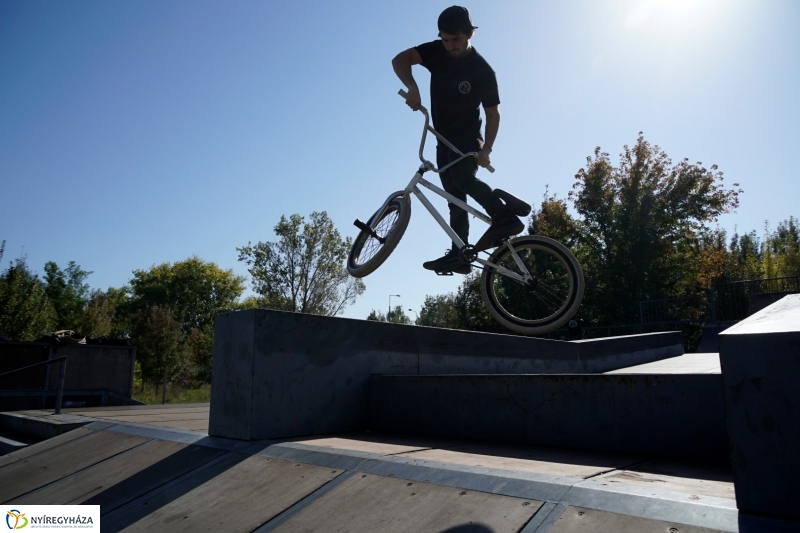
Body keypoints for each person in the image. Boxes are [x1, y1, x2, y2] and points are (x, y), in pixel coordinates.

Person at [392, 5, 524, 275]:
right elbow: (400, 59)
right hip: (443, 138)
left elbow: (493, 114)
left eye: (455, 39)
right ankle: (459, 253)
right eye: (445, 39)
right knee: (454, 197)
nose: (449, 45)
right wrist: (413, 86)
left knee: (463, 179)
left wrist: (487, 149)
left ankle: (505, 216)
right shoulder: (436, 51)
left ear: (470, 34)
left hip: (467, 139)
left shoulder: (482, 70)